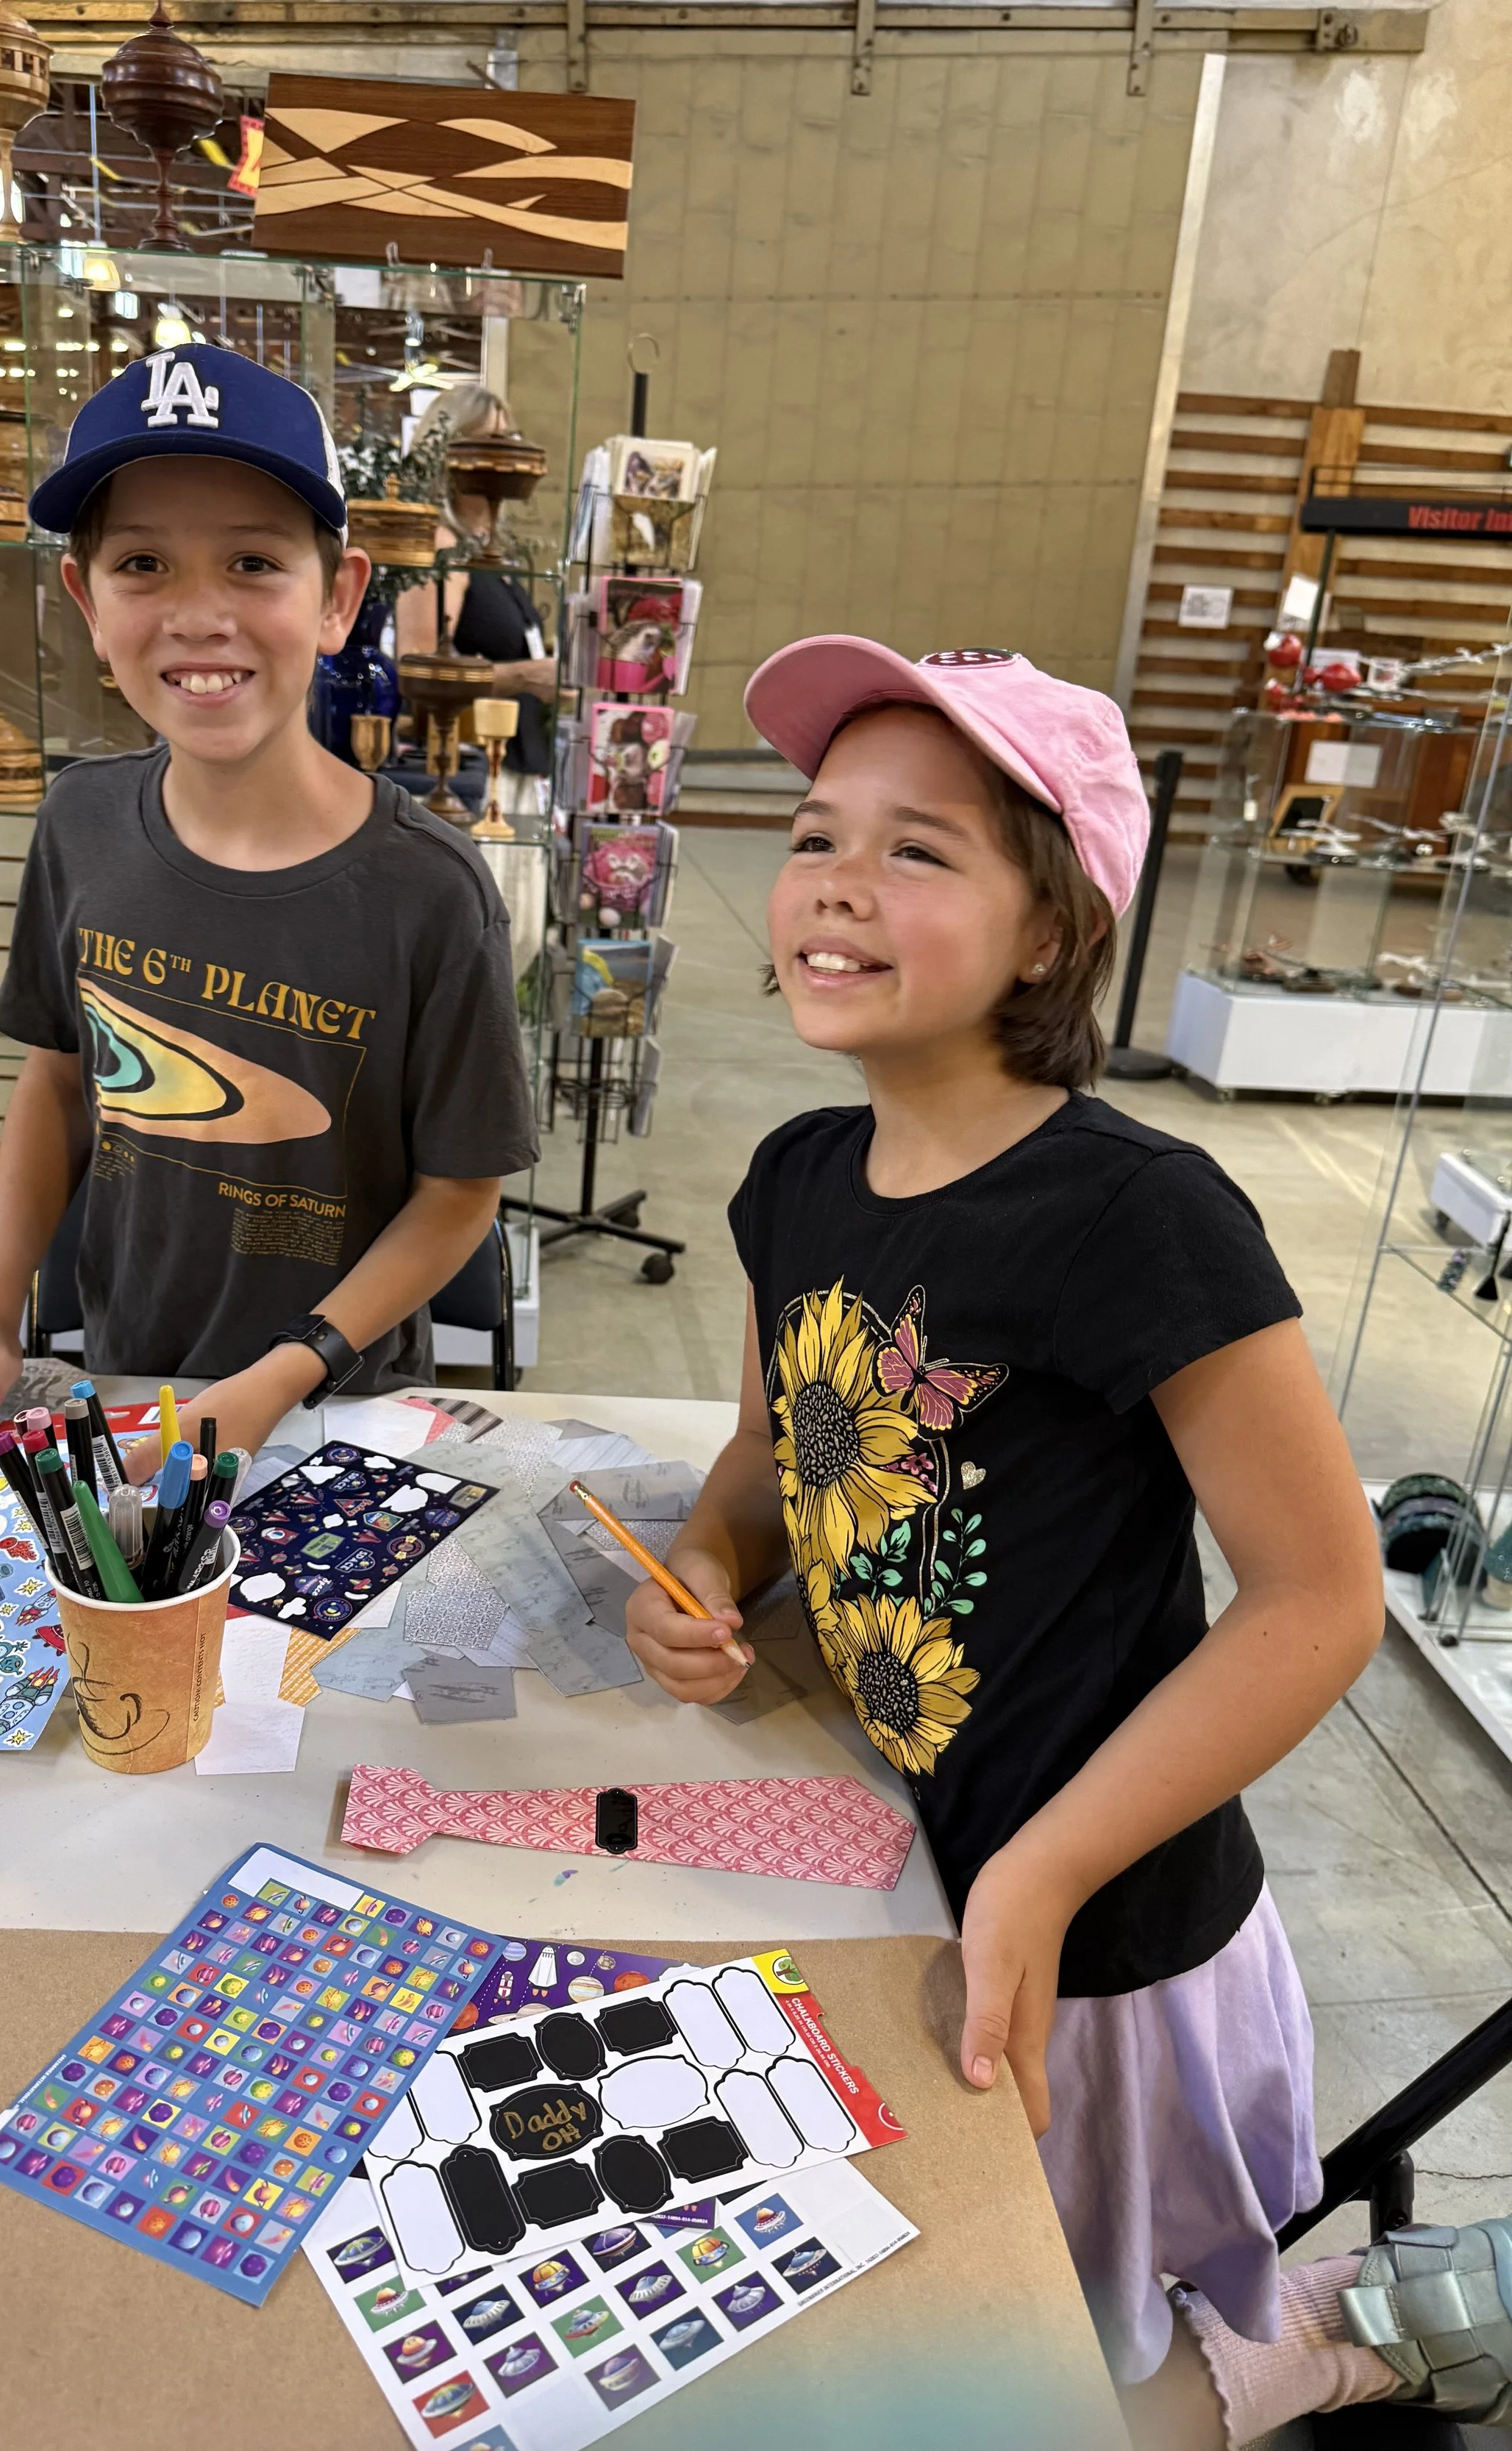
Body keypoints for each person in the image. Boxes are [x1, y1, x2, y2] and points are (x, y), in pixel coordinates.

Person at [622, 636, 1512, 2448]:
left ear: (1049, 935)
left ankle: (1308, 2347)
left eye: (920, 849)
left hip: (1095, 1938)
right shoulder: (796, 1171)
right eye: (814, 833)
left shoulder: (1139, 1213)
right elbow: (766, 1459)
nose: (837, 881)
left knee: (1048, 2359)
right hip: (895, 1862)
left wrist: (1035, 1874)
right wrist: (717, 1571)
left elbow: (1324, 1597)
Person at [0, 343, 538, 1485]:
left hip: (332, 1407)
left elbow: (462, 1190)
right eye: (145, 564)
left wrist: (282, 1372)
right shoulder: (81, 823)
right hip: (125, 1381)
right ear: (86, 599)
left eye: (255, 562)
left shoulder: (431, 891)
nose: (199, 615)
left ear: (339, 600)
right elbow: (63, 1078)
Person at [396, 385, 555, 811]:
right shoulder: (439, 546)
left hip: (514, 766)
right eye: (490, 443)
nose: (505, 460)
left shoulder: (486, 548)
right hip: (469, 775)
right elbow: (416, 664)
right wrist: (525, 675)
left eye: (511, 442)